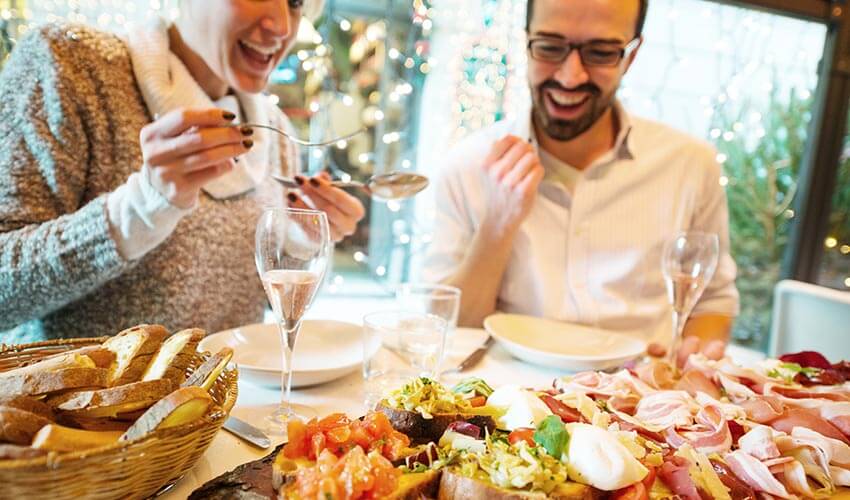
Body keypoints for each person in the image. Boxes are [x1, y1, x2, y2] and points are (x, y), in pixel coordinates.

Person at [0, 0, 365, 342]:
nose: (283, 26)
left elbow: (271, 312)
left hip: (226, 408)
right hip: (76, 410)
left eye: (296, 1)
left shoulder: (276, 133)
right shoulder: (69, 65)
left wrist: (300, 246)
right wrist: (138, 210)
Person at [423, 0, 739, 365]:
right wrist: (497, 224)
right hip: (508, 404)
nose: (570, 76)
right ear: (526, 44)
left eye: (601, 53)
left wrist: (693, 358)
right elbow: (450, 329)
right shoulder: (468, 166)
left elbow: (713, 301)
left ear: (630, 58)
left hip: (639, 401)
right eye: (549, 47)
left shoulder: (690, 165)